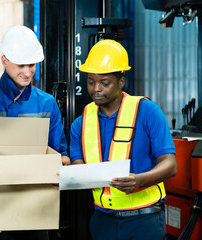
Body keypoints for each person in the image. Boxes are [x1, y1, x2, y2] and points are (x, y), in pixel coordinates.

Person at [0, 25, 70, 240]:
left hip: (35, 213)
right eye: (21, 65)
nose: (27, 72)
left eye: (32, 65)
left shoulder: (47, 103)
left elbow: (60, 152)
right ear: (4, 60)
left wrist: (62, 167)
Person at [69, 39, 177, 240]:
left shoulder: (147, 111)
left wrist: (140, 180)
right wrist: (67, 177)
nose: (96, 89)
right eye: (91, 81)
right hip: (102, 221)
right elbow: (79, 169)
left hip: (144, 220)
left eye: (105, 83)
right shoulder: (80, 124)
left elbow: (170, 165)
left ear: (121, 81)